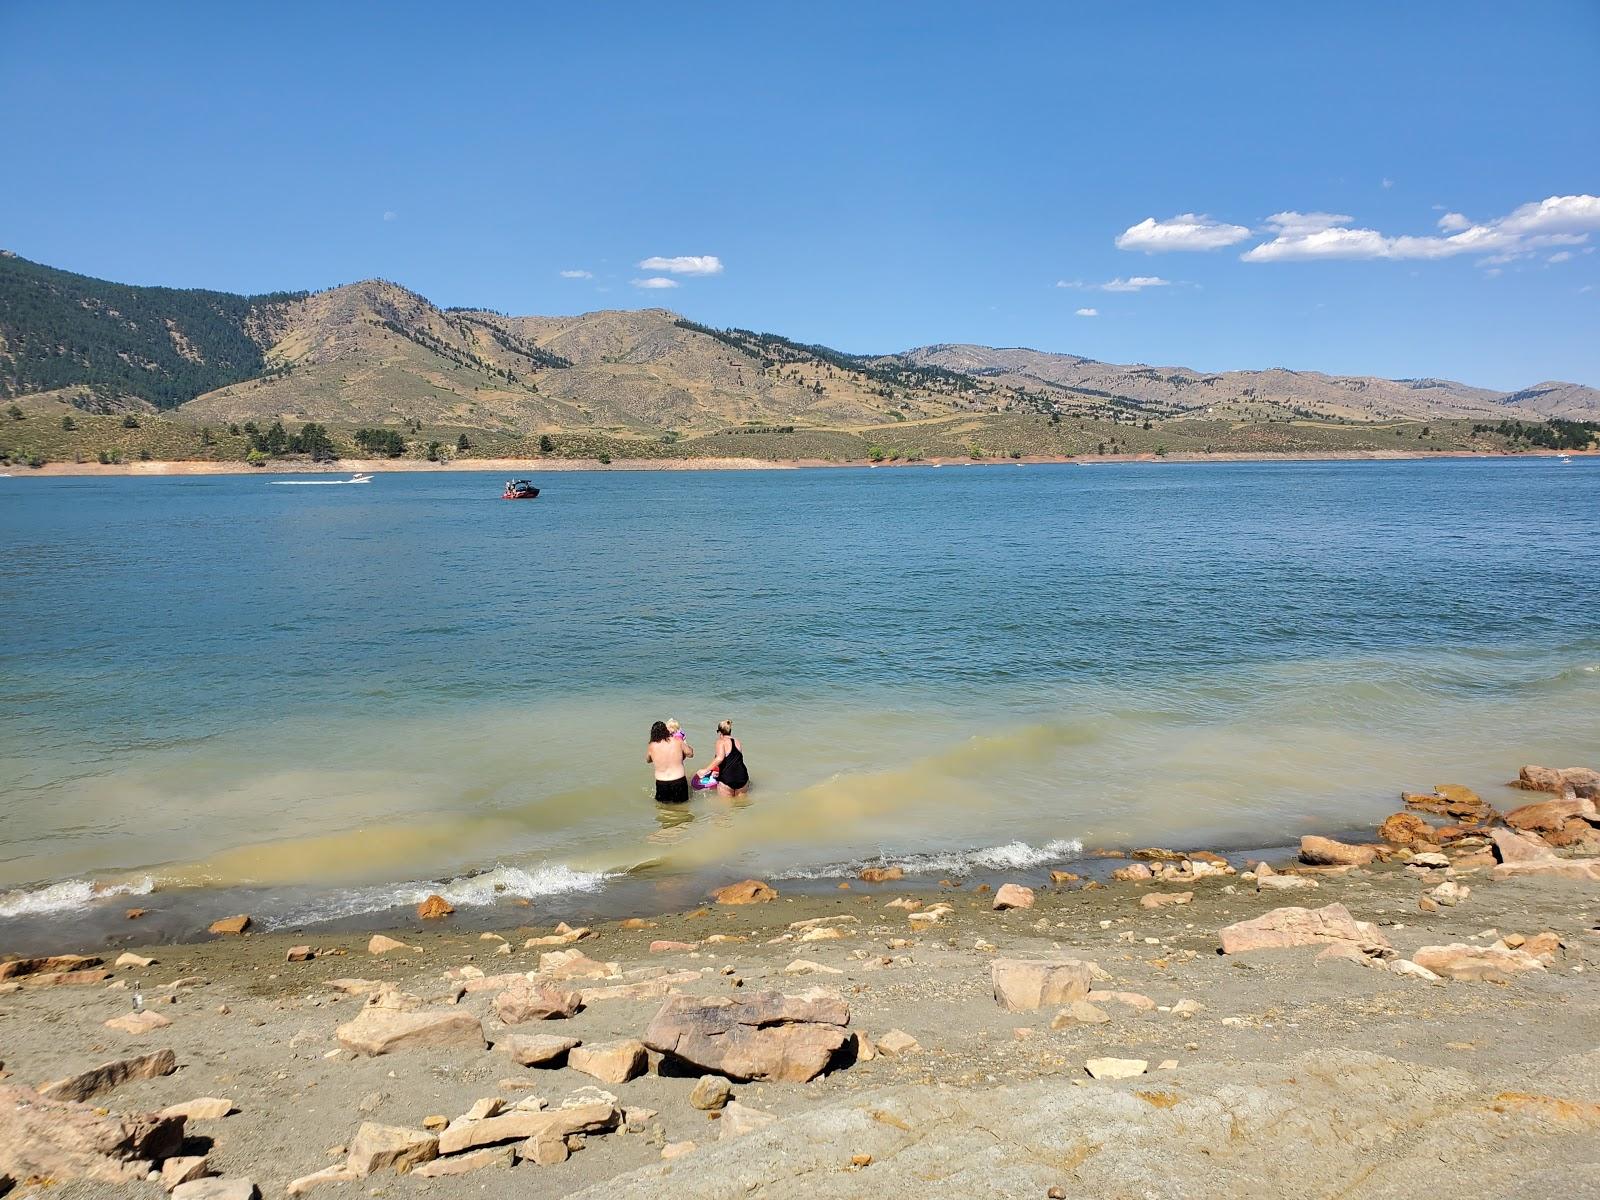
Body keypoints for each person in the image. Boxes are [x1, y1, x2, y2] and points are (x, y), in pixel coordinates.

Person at [646, 719, 694, 804]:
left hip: (661, 783)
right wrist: (685, 742)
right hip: (678, 780)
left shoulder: (651, 746)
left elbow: (648, 760)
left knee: (664, 809)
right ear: (666, 730)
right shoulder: (677, 741)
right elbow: (690, 754)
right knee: (682, 807)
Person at [700, 719, 750, 796]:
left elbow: (720, 758)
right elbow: (734, 761)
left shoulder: (720, 741)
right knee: (741, 805)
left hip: (727, 778)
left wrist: (705, 770)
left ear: (719, 732)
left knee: (726, 807)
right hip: (742, 777)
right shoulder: (737, 741)